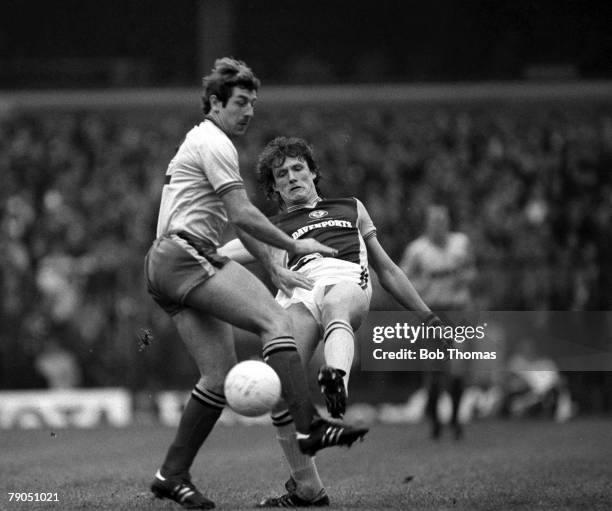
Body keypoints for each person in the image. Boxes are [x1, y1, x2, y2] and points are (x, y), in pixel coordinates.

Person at [144, 59, 368, 510]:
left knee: (218, 375)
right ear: (214, 102)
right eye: (241, 102)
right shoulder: (213, 141)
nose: (249, 112)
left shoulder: (207, 142)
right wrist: (295, 248)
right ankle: (309, 426)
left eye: (253, 103)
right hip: (187, 254)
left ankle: (171, 474)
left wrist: (274, 262)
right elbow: (245, 216)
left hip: (167, 265)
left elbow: (238, 219)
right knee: (275, 321)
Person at [219, 136, 444, 507]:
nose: (291, 177)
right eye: (281, 174)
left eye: (297, 168)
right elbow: (226, 253)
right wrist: (184, 249)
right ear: (273, 187)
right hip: (298, 291)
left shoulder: (351, 207)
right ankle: (308, 489)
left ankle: (335, 378)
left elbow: (385, 268)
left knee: (337, 304)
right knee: (277, 381)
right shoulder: (272, 227)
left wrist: (426, 315)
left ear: (313, 172)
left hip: (345, 277)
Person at [399, 204, 476, 440]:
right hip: (432, 314)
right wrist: (419, 288)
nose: (439, 226)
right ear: (427, 224)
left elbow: (472, 270)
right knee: (434, 372)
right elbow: (402, 277)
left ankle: (454, 419)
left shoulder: (461, 243)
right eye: (435, 222)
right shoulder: (417, 250)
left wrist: (466, 278)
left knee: (458, 369)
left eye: (443, 221)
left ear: (448, 222)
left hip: (458, 312)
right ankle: (434, 421)